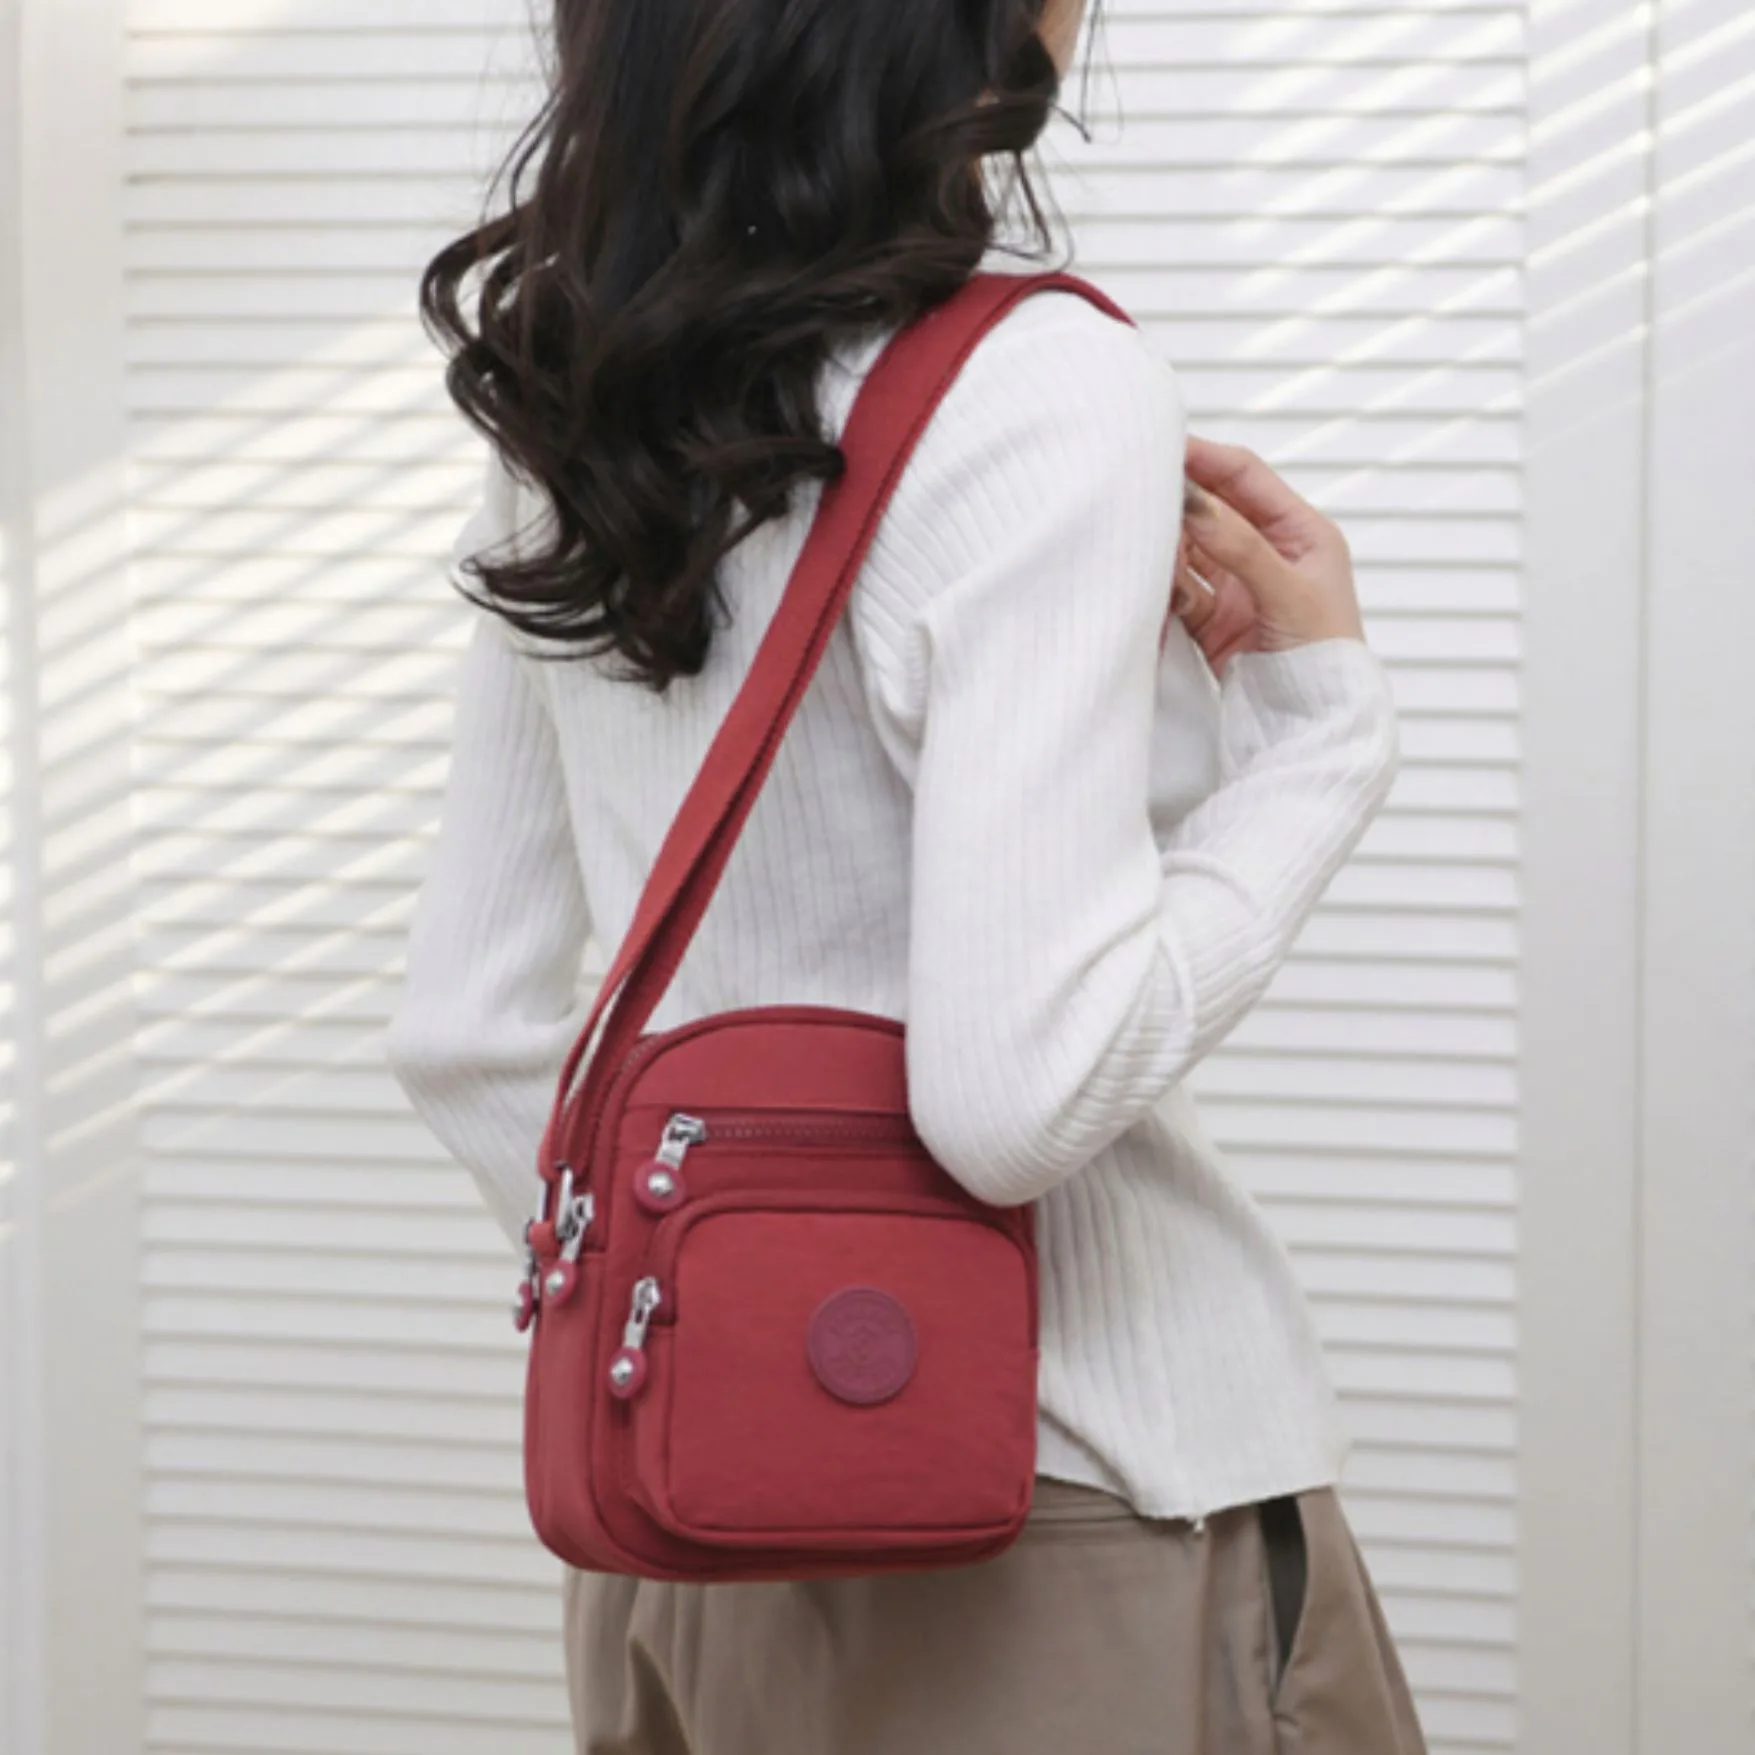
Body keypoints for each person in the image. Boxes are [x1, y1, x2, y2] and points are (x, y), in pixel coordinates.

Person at [386, 0, 1426, 1749]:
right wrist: (1319, 739)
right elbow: (1012, 1101)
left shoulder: (580, 396)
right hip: (1070, 1525)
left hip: (677, 1527)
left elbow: (465, 1034)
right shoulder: (1034, 386)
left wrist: (731, 1307)